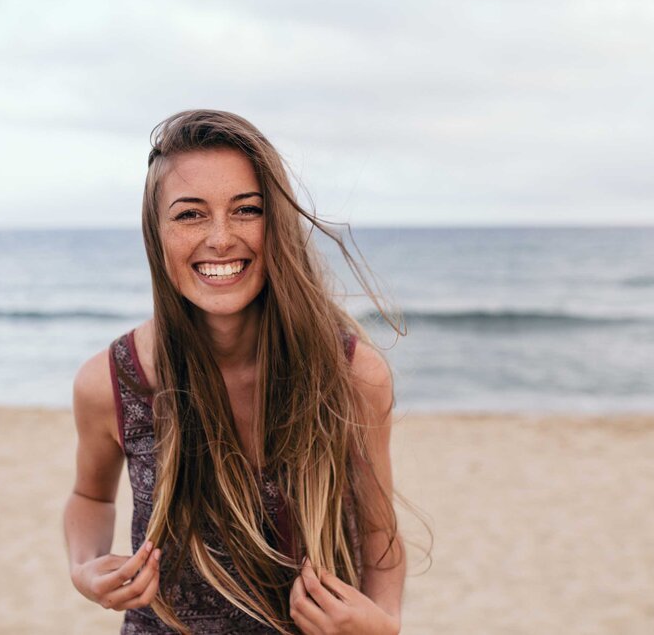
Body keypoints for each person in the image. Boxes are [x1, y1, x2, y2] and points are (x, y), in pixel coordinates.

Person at [64, 110, 413, 634]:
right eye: (190, 215)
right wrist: (85, 568)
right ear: (156, 234)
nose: (222, 238)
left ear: (276, 222)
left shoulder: (352, 376)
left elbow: (378, 529)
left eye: (246, 210)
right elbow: (90, 497)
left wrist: (383, 624)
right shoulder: (110, 383)